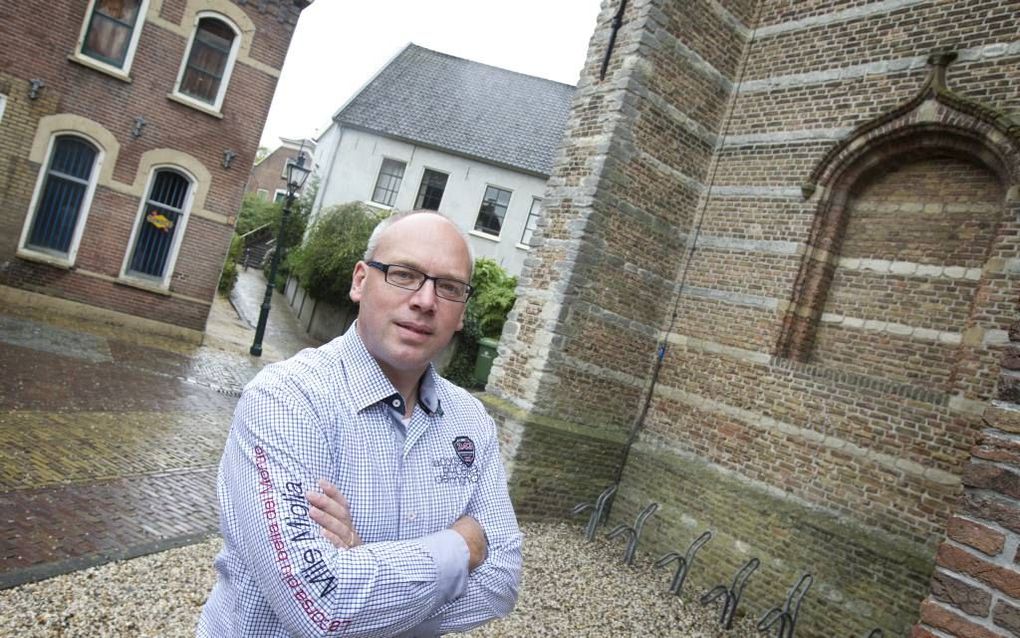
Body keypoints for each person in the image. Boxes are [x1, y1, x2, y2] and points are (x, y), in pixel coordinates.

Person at [198, 210, 523, 637]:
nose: (426, 301)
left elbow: (502, 581)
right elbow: (322, 609)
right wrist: (461, 547)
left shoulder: (471, 422)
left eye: (448, 287)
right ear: (360, 281)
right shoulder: (288, 399)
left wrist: (362, 566)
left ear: (461, 311)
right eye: (404, 274)